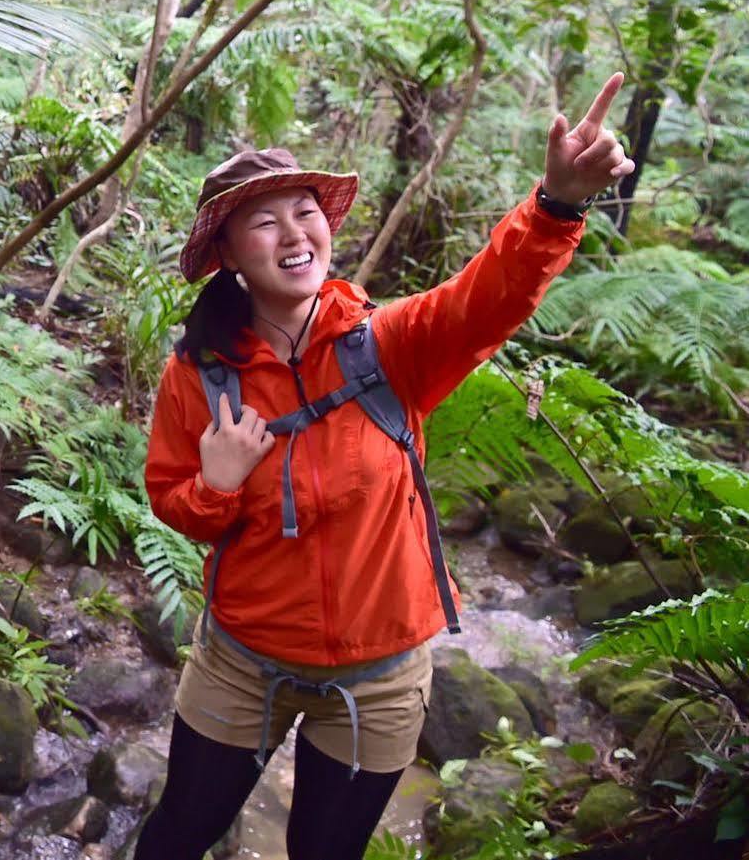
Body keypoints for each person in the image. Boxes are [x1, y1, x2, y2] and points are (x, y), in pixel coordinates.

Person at [135, 74, 634, 860]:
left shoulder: (389, 346)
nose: (293, 231)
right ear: (227, 254)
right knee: (176, 835)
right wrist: (217, 484)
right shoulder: (200, 373)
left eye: (304, 212)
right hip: (241, 659)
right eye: (263, 221)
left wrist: (557, 204)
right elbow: (174, 500)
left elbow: (488, 298)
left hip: (380, 674)